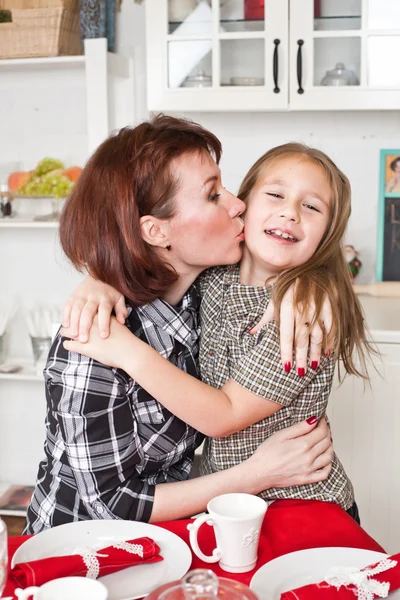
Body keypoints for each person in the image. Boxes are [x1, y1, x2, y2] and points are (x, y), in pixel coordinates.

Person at [24, 117, 334, 534]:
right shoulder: (95, 343)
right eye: (212, 195)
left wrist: (315, 286)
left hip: (169, 535)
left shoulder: (202, 290)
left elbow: (291, 255)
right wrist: (257, 474)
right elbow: (113, 505)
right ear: (155, 232)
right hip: (81, 550)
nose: (237, 203)